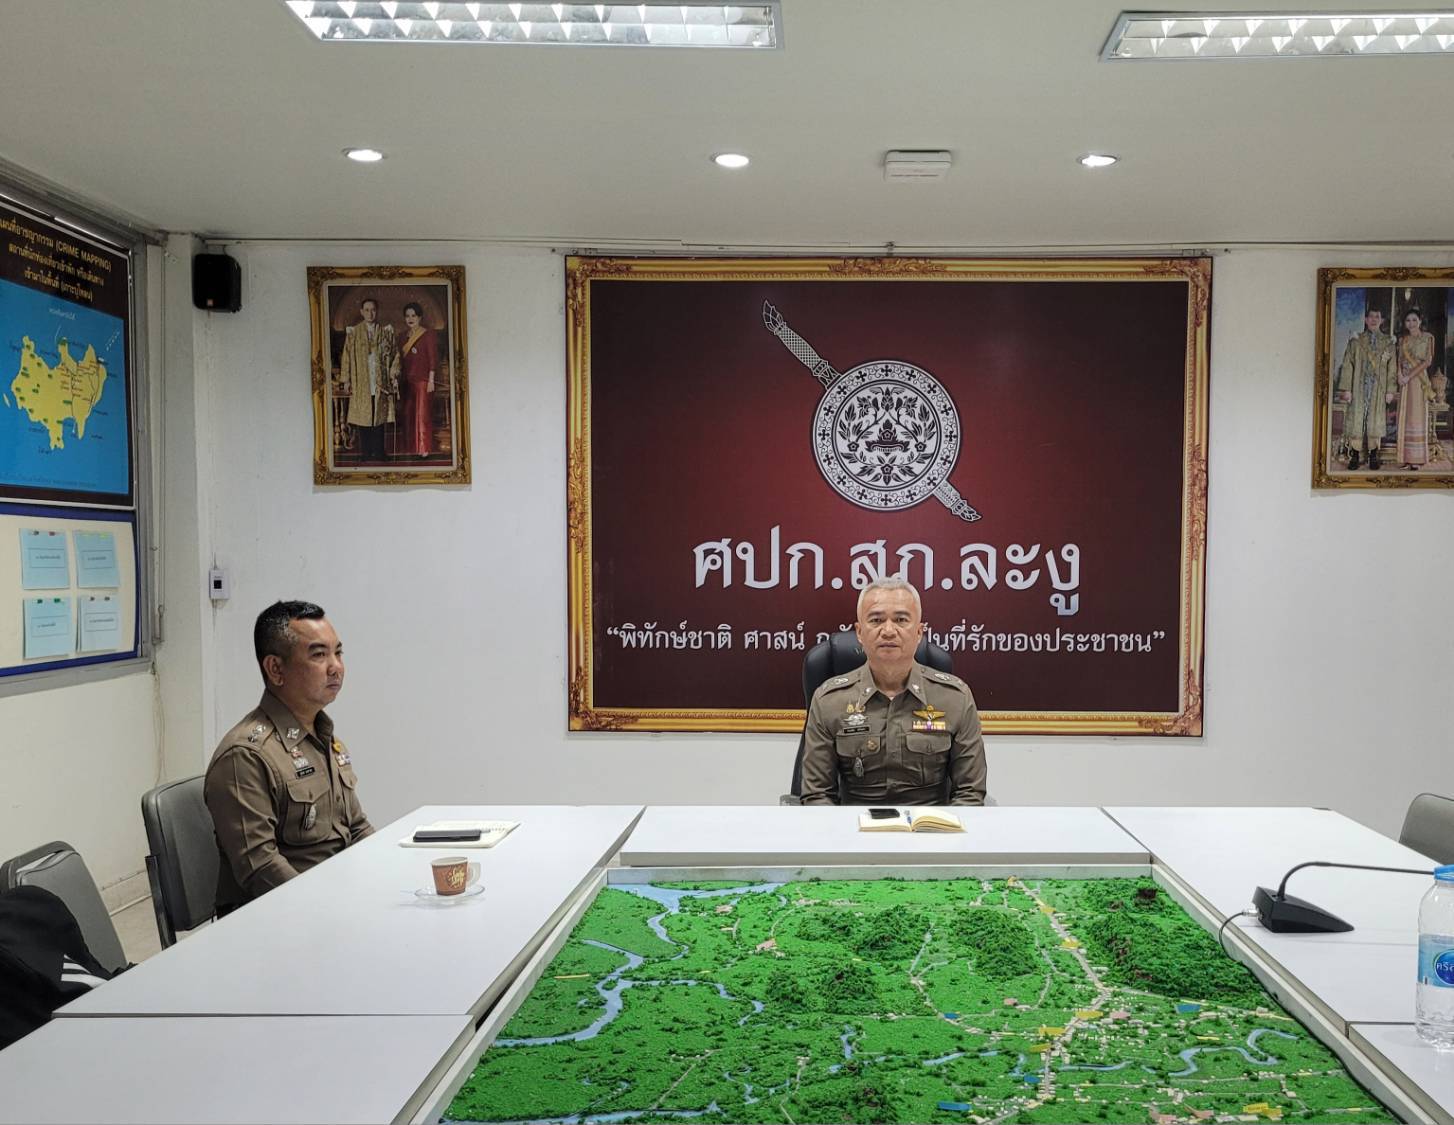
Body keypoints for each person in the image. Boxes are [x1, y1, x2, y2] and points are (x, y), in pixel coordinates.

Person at [205, 601, 373, 913]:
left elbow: (357, 828)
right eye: (319, 655)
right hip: (279, 918)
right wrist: (328, 910)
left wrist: (387, 875)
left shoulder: (323, 738)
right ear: (276, 669)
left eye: (338, 653)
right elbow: (260, 867)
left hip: (336, 899)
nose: (335, 667)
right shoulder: (246, 756)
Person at [799, 577, 986, 806]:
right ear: (860, 632)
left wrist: (940, 829)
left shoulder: (955, 698)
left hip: (930, 825)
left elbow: (969, 794)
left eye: (901, 620)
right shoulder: (829, 701)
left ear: (919, 632)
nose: (888, 631)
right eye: (876, 620)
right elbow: (817, 795)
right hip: (854, 825)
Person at [1334, 306, 1396, 471]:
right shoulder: (1356, 341)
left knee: (1375, 419)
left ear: (1381, 320)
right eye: (1371, 316)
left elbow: (1392, 368)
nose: (1374, 319)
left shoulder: (1388, 343)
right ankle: (1355, 455)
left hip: (1378, 388)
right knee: (1357, 419)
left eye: (1377, 316)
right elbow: (1348, 365)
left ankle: (1373, 455)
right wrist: (1347, 388)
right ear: (1366, 320)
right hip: (1358, 386)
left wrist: (1390, 390)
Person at [338, 297, 398, 462]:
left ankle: (379, 452)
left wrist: (394, 374)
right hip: (361, 381)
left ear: (377, 311)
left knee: (379, 417)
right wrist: (347, 380)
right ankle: (365, 452)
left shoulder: (386, 332)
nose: (370, 313)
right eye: (367, 310)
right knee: (363, 418)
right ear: (361, 312)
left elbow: (395, 355)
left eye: (373, 310)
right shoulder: (354, 333)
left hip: (380, 382)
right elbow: (346, 357)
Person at [1395, 307, 1436, 470]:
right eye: (1408, 320)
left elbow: (1427, 362)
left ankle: (1416, 459)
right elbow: (1399, 360)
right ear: (1404, 323)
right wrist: (1400, 375)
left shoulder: (1428, 338)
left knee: (1416, 416)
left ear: (1420, 321)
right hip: (1404, 383)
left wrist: (1409, 376)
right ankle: (1405, 457)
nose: (1411, 323)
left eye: (1414, 320)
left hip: (1418, 381)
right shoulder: (1402, 340)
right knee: (1404, 417)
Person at [398, 301, 439, 459]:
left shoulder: (428, 334)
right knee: (407, 414)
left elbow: (432, 358)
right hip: (406, 382)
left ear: (420, 317)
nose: (410, 319)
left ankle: (423, 448)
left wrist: (431, 380)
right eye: (407, 316)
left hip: (423, 381)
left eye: (413, 316)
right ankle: (410, 447)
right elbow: (400, 361)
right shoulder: (402, 336)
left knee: (422, 415)